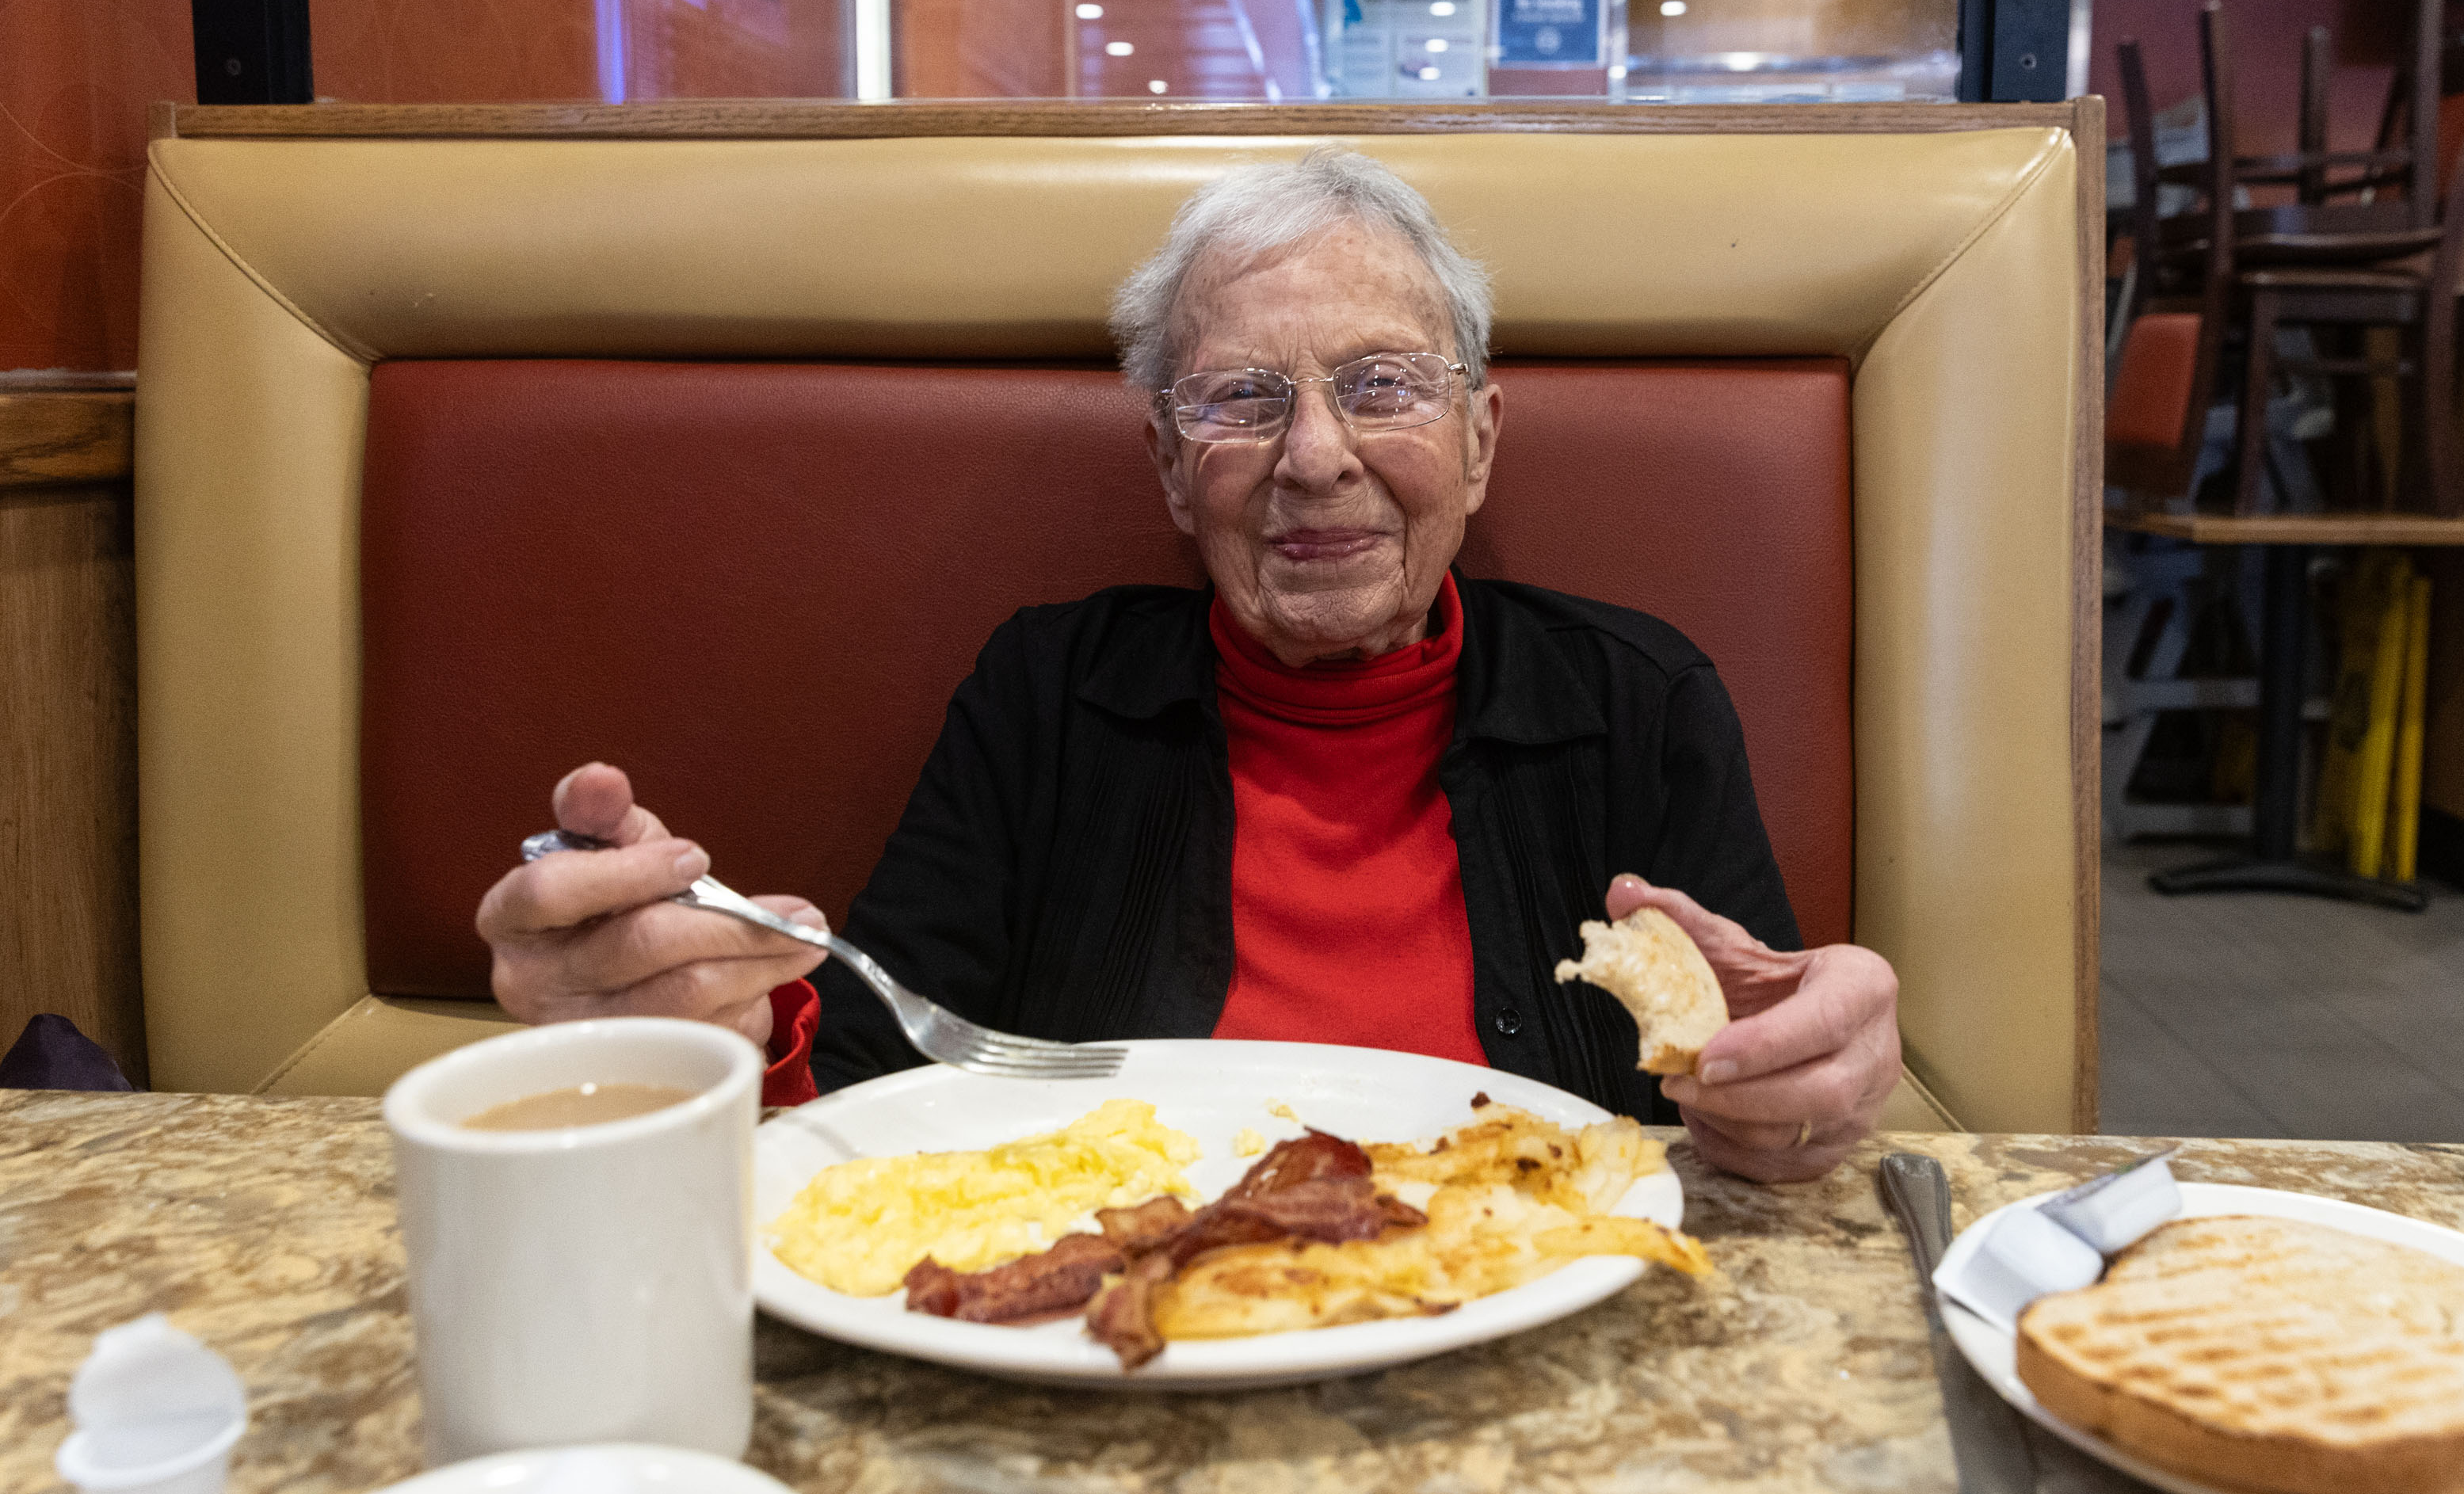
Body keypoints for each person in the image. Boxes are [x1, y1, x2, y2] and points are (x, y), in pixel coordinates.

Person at [475, 147, 1902, 1183]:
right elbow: (866, 1070)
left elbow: (1745, 1080)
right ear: (1169, 465)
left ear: (1479, 440)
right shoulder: (1049, 693)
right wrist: (707, 1023)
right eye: (1242, 399)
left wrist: (1790, 1085)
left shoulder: (1638, 701)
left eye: (1383, 384)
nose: (1318, 455)